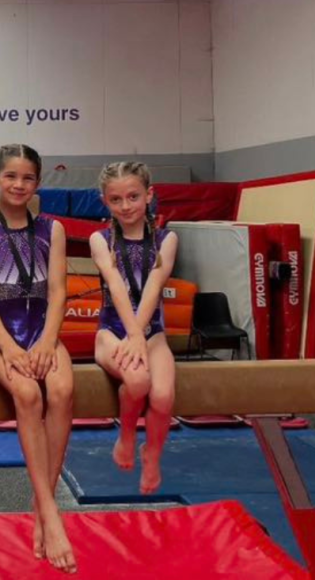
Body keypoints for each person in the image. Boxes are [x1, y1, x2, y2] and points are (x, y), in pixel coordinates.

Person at [0, 144, 77, 573]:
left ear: (38, 183)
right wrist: (9, 348)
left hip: (43, 332)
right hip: (2, 337)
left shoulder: (53, 229)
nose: (18, 185)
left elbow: (58, 291)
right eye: (10, 176)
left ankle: (42, 506)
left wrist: (49, 342)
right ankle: (51, 515)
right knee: (28, 395)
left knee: (64, 388)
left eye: (28, 178)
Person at [90, 161, 178, 495]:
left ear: (149, 195)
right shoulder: (100, 240)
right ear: (105, 201)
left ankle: (152, 453)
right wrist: (131, 336)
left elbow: (154, 287)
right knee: (138, 381)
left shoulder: (167, 240)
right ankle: (127, 434)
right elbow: (115, 285)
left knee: (164, 395)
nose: (125, 206)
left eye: (133, 196)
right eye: (116, 200)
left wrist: (140, 337)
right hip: (111, 332)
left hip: (152, 333)